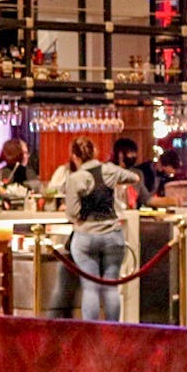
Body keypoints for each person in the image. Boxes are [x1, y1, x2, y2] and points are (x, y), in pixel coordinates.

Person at [54, 135, 141, 321]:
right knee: (111, 287)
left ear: (74, 157)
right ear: (95, 152)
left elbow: (72, 214)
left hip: (85, 236)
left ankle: (91, 332)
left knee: (90, 287)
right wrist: (116, 182)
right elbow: (134, 177)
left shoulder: (75, 179)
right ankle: (113, 330)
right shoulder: (108, 170)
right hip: (112, 235)